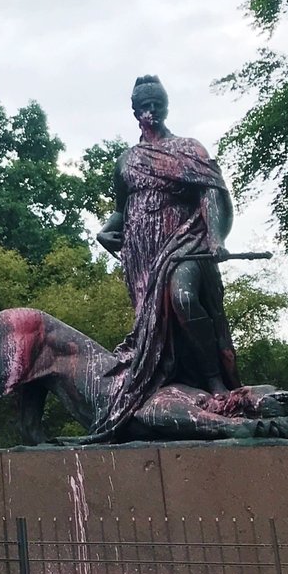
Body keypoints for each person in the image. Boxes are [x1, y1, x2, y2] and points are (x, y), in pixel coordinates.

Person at [92, 76, 240, 438]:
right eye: (145, 104)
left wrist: (216, 237)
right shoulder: (127, 160)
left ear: (166, 105)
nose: (152, 109)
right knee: (156, 323)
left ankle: (213, 378)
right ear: (135, 111)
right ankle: (168, 384)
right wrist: (107, 230)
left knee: (184, 299)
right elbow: (123, 209)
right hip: (144, 256)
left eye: (157, 103)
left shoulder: (188, 149)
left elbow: (212, 195)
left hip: (186, 241)